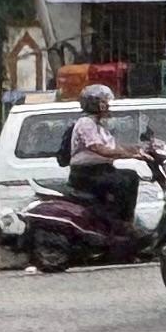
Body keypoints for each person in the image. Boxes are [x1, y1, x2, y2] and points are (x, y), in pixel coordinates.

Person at [62, 83, 148, 230]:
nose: (107, 106)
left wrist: (140, 149)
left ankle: (124, 220)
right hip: (87, 174)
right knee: (123, 181)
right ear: (96, 104)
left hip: (102, 170)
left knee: (130, 176)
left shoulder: (99, 127)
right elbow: (100, 149)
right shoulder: (86, 123)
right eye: (104, 102)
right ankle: (120, 223)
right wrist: (131, 155)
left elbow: (114, 147)